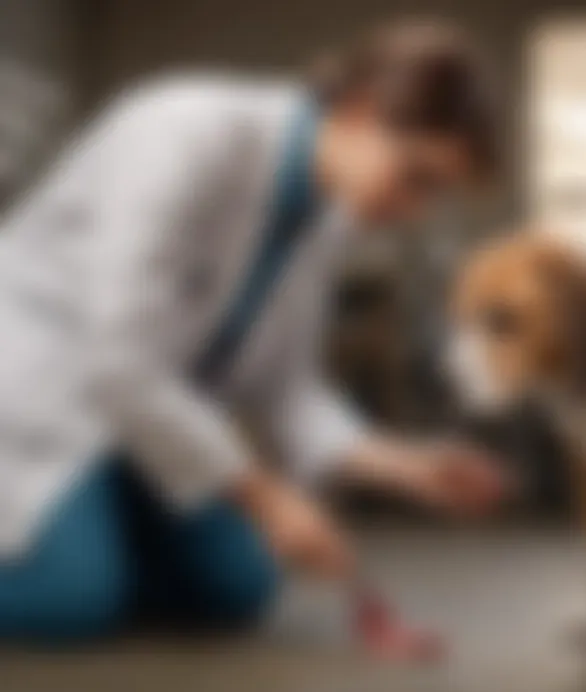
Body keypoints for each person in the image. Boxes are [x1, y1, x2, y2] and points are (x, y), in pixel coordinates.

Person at [0, 19, 501, 642]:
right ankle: (82, 561)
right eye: (415, 176)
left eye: (436, 192)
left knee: (238, 586)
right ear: (361, 109)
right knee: (69, 601)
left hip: (133, 420)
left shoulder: (325, 215)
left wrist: (404, 466)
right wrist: (264, 496)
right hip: (35, 386)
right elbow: (120, 361)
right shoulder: (185, 133)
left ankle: (92, 545)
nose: (414, 210)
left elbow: (287, 388)